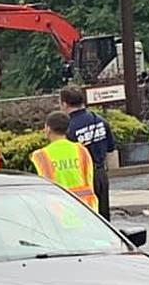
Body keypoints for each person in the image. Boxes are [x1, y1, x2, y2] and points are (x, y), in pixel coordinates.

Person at [61, 86, 115, 220]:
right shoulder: (100, 121)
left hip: (82, 178)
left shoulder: (69, 128)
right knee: (103, 217)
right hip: (101, 174)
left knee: (86, 218)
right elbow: (111, 150)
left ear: (64, 104)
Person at [31, 111, 98, 212]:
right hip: (86, 211)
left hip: (58, 212)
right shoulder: (81, 150)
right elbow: (90, 178)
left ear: (48, 129)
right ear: (68, 129)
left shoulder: (40, 156)